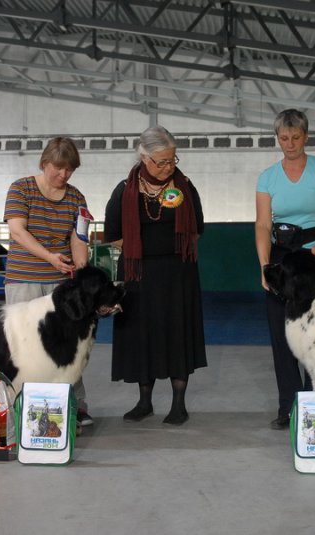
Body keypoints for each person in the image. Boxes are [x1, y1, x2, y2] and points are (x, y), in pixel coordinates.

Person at [104, 125, 206, 426]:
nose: (167, 167)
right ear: (144, 158)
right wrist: (142, 251)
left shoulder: (185, 187)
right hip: (138, 275)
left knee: (177, 333)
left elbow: (197, 229)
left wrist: (168, 250)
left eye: (172, 160)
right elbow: (113, 235)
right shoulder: (125, 190)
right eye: (161, 161)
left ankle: (178, 405)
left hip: (178, 274)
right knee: (141, 336)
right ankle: (144, 402)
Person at [255, 108, 315, 430]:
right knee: (283, 334)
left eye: (295, 137)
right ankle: (289, 406)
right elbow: (263, 224)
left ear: (306, 136)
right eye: (283, 138)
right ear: (277, 139)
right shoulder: (267, 178)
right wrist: (265, 265)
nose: (289, 143)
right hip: (281, 256)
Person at [3, 137, 94, 427]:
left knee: (67, 346)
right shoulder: (21, 188)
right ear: (44, 164)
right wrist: (48, 257)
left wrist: (80, 266)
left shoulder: (77, 198)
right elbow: (17, 232)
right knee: (22, 346)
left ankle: (75, 405)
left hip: (60, 284)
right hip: (23, 279)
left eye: (70, 170)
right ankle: (19, 406)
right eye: (59, 168)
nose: (64, 175)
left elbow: (78, 238)